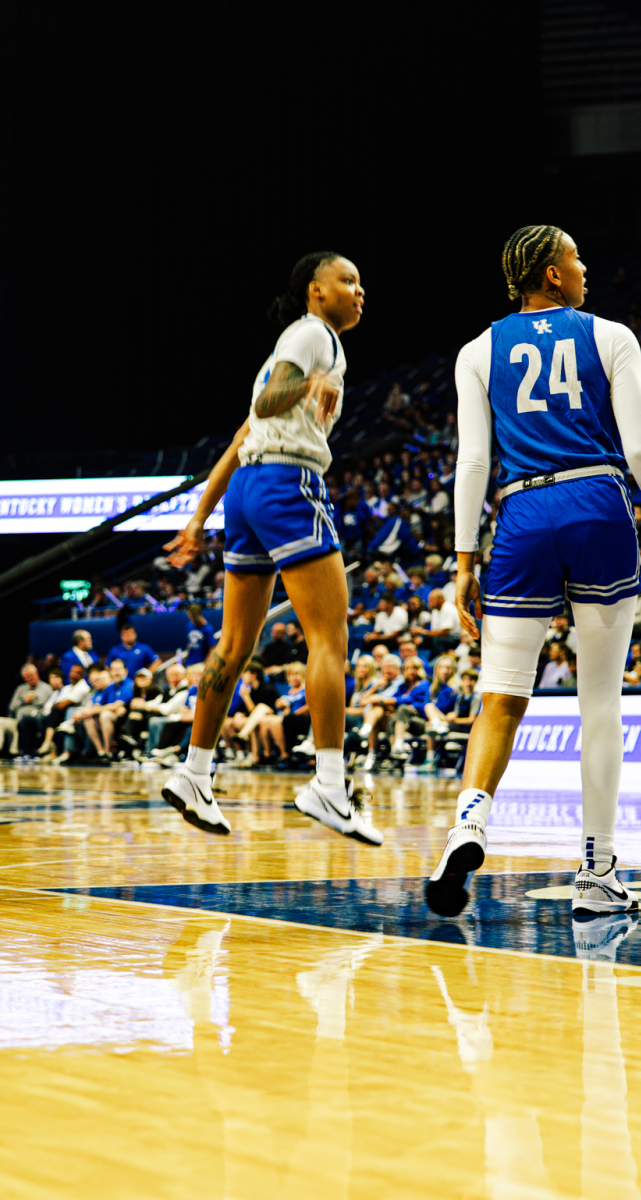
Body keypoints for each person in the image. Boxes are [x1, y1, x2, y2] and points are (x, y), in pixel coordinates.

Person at [426, 224, 641, 918]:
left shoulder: (477, 351)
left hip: (520, 514)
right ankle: (597, 874)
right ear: (550, 272)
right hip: (596, 502)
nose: (584, 266)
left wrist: (464, 560)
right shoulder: (611, 336)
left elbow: (472, 463)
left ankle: (469, 823)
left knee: (500, 696)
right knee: (599, 701)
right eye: (575, 256)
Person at [159, 250, 381, 844]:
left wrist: (198, 519)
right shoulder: (314, 336)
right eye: (348, 280)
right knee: (329, 637)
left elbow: (242, 436)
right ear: (316, 290)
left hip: (247, 490)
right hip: (287, 483)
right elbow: (267, 404)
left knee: (234, 645)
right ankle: (329, 785)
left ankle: (193, 773)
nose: (359, 291)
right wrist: (310, 383)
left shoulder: (287, 347)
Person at [0, 664, 53, 758]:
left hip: (35, 720)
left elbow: (48, 706)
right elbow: (11, 707)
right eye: (27, 677)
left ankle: (16, 752)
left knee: (24, 722)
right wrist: (23, 701)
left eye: (31, 675)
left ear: (36, 673)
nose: (30, 678)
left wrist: (35, 699)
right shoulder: (21, 689)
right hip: (17, 720)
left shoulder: (46, 688)